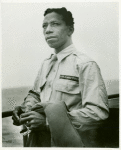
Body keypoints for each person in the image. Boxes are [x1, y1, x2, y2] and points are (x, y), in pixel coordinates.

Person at [12, 7, 109, 147]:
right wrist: (26, 109)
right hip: (42, 142)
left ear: (70, 30)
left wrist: (47, 122)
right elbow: (36, 94)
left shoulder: (85, 64)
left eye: (55, 24)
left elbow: (97, 112)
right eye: (44, 26)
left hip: (70, 144)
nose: (47, 30)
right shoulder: (45, 64)